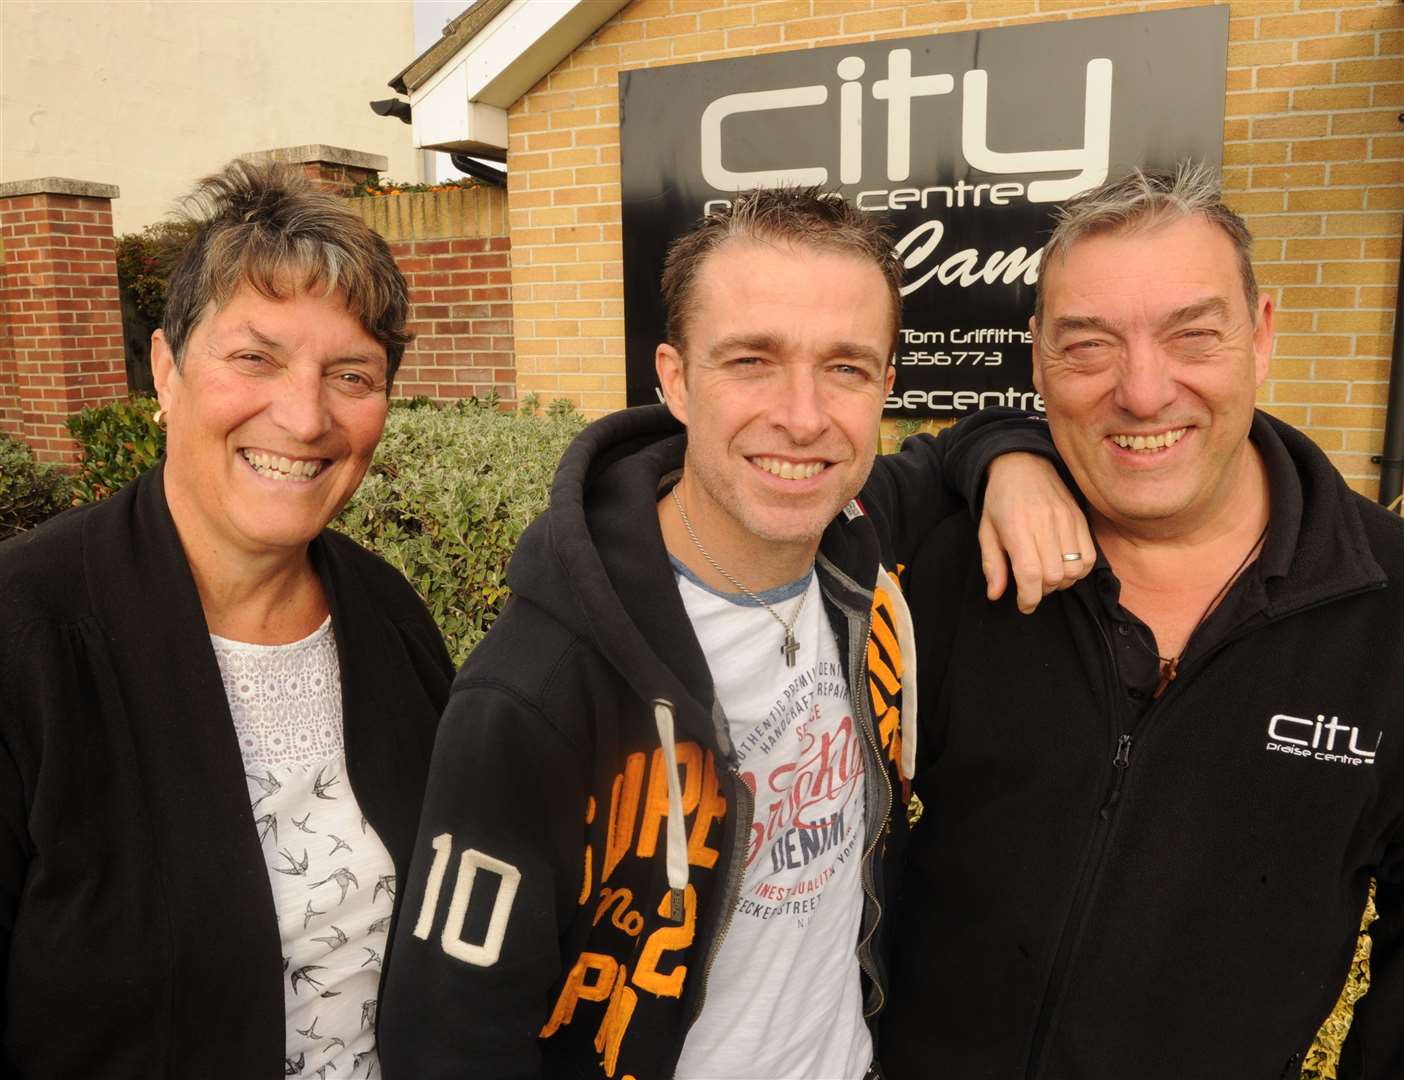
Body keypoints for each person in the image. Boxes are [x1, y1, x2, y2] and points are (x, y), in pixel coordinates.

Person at [378, 188, 1092, 1079]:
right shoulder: (536, 694)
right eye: (753, 360)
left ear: (886, 387)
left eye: (846, 368)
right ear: (675, 378)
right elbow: (449, 1039)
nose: (802, 416)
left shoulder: (857, 539)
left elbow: (953, 450)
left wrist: (1011, 464)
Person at [881, 166, 1404, 1079]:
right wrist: (996, 448)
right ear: (1038, 357)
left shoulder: (1390, 609)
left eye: (1192, 335)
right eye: (1088, 348)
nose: (1145, 391)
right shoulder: (957, 564)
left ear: (1262, 335)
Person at [0, 162, 454, 1078]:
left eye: (352, 374)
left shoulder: (388, 617)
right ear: (166, 370)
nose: (304, 414)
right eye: (255, 357)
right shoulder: (26, 638)